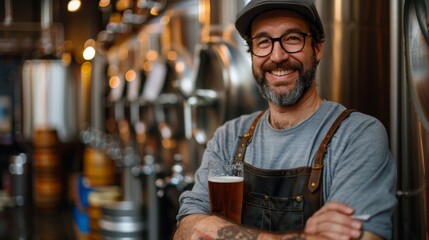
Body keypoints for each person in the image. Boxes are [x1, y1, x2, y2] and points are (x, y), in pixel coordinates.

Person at [173, 0, 397, 239]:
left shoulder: (358, 135)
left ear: (317, 48)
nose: (277, 56)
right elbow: (187, 228)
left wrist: (218, 229)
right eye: (263, 42)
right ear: (252, 53)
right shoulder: (228, 136)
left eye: (292, 39)